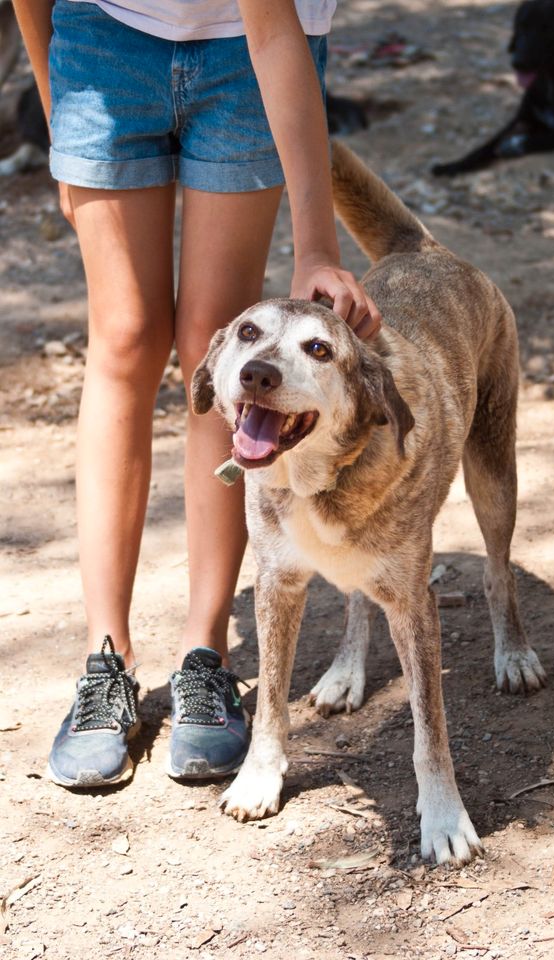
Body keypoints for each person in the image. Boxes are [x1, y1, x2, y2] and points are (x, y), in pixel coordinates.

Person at [13, 0, 381, 788]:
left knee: (212, 348)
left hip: (247, 61)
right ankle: (103, 661)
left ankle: (203, 653)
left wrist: (316, 243)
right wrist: (56, 121)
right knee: (123, 338)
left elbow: (272, 27)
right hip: (101, 43)